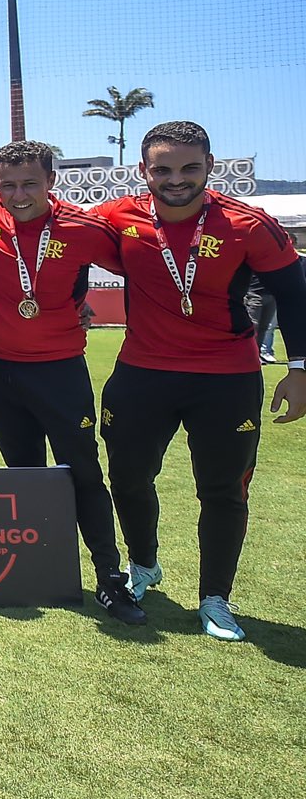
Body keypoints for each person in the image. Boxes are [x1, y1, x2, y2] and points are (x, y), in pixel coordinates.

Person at [95, 120, 305, 641]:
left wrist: (299, 369)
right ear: (143, 170)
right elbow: (63, 239)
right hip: (142, 373)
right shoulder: (117, 217)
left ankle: (216, 599)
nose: (175, 179)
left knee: (223, 490)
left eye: (189, 167)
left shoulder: (249, 224)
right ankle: (143, 566)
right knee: (126, 476)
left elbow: (296, 295)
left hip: (226, 378)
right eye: (162, 168)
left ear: (209, 166)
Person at [0, 142, 142, 624]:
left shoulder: (84, 228)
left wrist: (79, 299)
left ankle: (110, 580)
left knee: (82, 473)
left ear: (51, 180)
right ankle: (37, 572)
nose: (18, 194)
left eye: (30, 183)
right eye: (8, 184)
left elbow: (144, 268)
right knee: (25, 475)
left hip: (60, 370)